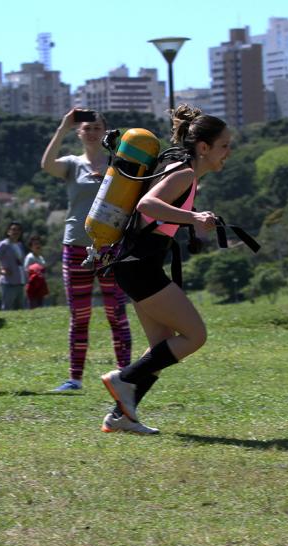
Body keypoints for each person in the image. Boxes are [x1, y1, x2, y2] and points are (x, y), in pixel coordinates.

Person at [101, 104, 226, 434]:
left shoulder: (179, 169)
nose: (228, 152)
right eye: (224, 145)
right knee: (195, 335)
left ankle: (121, 416)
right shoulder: (183, 172)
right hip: (140, 266)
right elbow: (148, 206)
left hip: (136, 265)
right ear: (204, 147)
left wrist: (193, 219)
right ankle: (123, 378)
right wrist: (194, 218)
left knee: (161, 345)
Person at [40, 109, 132, 392]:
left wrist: (109, 173)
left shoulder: (119, 163)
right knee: (79, 316)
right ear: (79, 133)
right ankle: (74, 379)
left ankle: (126, 374)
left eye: (96, 128)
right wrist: (63, 126)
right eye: (86, 128)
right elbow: (46, 164)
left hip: (110, 247)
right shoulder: (71, 164)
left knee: (116, 312)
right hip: (76, 245)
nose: (91, 132)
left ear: (105, 131)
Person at [0, 221, 26, 310]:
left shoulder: (19, 245)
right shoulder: (4, 244)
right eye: (13, 229)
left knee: (20, 309)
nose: (16, 232)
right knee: (7, 308)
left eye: (18, 230)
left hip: (20, 282)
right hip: (9, 283)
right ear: (8, 232)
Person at [24, 235, 49, 309]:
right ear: (31, 247)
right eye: (35, 244)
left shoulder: (41, 258)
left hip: (40, 285)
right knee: (33, 305)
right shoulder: (30, 257)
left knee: (40, 305)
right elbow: (26, 271)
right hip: (33, 286)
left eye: (38, 244)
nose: (37, 246)